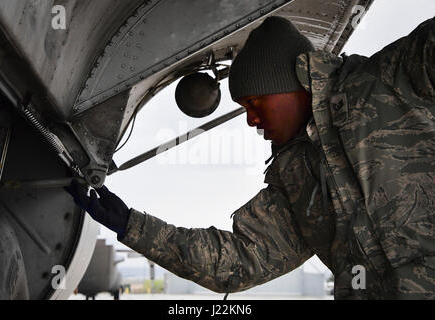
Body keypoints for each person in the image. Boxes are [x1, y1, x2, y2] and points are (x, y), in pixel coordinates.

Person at [65, 16, 435, 299]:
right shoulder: (295, 179)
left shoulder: (391, 78)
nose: (250, 119)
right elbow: (241, 261)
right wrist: (131, 225)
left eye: (255, 103)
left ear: (293, 84)